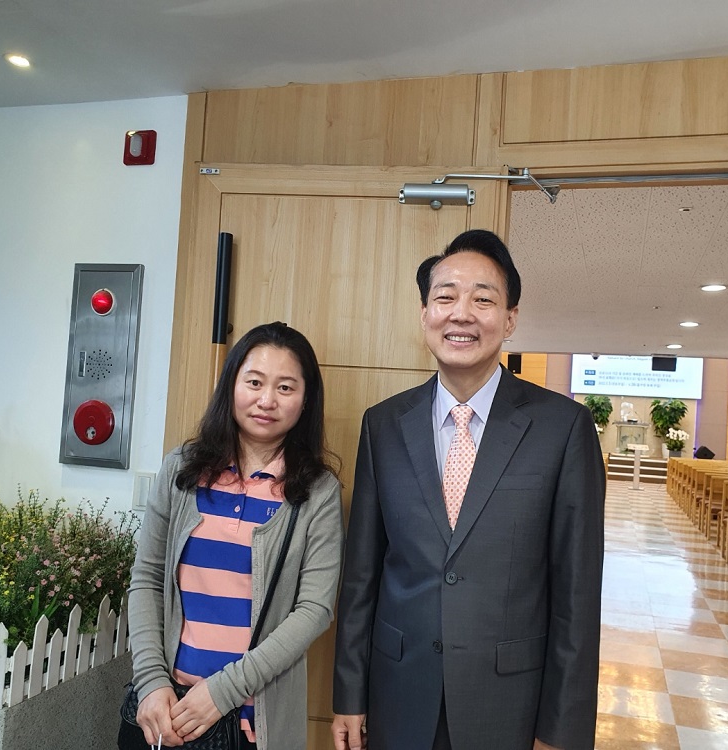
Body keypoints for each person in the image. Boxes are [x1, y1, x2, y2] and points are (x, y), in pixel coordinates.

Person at [331, 230, 606, 750]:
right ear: (424, 314)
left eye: (483, 299)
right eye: (445, 297)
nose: (461, 314)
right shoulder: (383, 425)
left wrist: (562, 732)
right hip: (398, 695)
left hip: (509, 706)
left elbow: (577, 596)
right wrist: (349, 693)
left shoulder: (563, 428)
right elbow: (362, 575)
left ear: (510, 319)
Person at [128, 321, 344, 749]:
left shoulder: (318, 491)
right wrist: (150, 681)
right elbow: (147, 578)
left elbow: (314, 610)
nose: (267, 400)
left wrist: (222, 692)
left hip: (251, 724)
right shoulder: (181, 470)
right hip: (168, 711)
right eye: (254, 382)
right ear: (231, 385)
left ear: (305, 400)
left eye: (285, 387)